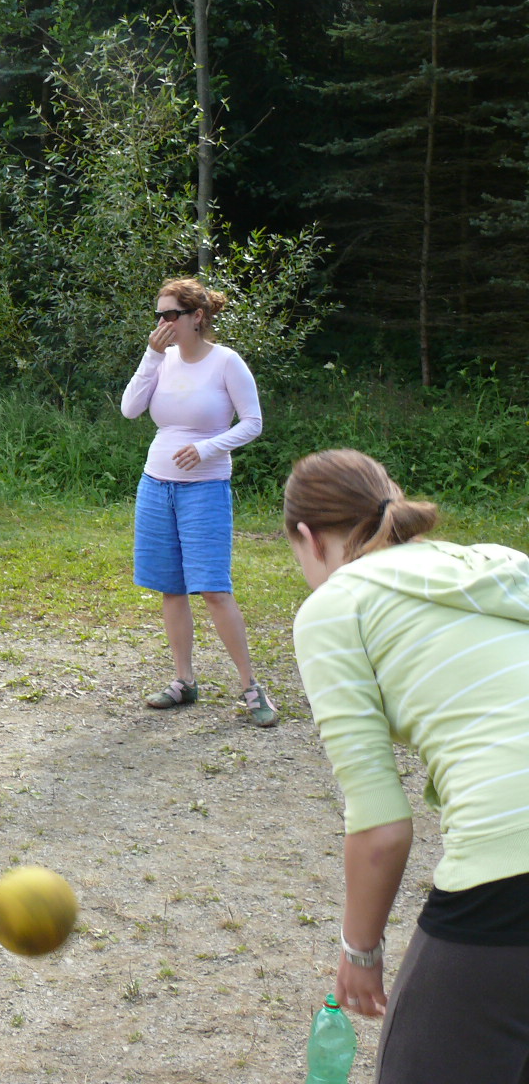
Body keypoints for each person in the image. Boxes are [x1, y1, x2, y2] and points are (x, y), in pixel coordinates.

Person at [286, 449, 529, 1083]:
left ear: (308, 537)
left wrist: (359, 950)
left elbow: (382, 827)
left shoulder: (336, 606)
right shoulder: (498, 565)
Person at [120, 276, 275, 726]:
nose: (162, 323)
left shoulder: (226, 362)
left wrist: (208, 448)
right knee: (171, 587)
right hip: (156, 485)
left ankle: (251, 687)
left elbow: (252, 423)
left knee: (213, 588)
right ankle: (184, 681)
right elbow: (130, 409)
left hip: (204, 488)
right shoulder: (161, 359)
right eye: (158, 315)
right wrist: (151, 356)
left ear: (197, 317)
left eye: (171, 314)